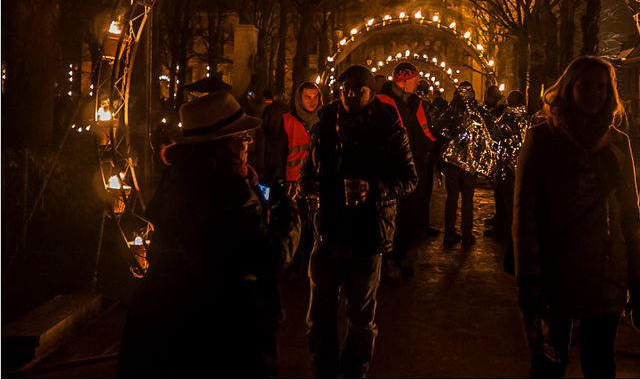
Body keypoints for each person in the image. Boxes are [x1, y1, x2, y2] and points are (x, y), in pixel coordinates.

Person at [118, 91, 300, 378]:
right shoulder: (227, 194)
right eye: (243, 138)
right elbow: (268, 256)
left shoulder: (177, 181)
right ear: (222, 146)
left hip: (165, 330)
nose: (248, 146)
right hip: (225, 337)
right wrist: (288, 218)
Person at [514, 56, 640, 378]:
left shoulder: (617, 144)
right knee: (549, 364)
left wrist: (639, 283)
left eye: (602, 86)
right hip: (556, 275)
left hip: (607, 275)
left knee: (601, 365)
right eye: (586, 85)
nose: (594, 93)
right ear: (569, 88)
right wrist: (529, 286)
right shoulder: (543, 140)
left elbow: (630, 215)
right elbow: (526, 217)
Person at [301, 65, 418, 378]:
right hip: (328, 230)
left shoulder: (388, 126)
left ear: (370, 93)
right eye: (345, 88)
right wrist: (307, 183)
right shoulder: (325, 122)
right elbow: (309, 167)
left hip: (367, 235)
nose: (350, 94)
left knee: (361, 317)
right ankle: (323, 370)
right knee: (320, 314)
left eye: (358, 89)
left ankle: (355, 372)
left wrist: (375, 188)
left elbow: (409, 179)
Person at [376, 62, 438, 278]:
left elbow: (424, 131)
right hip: (391, 169)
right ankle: (388, 261)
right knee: (391, 217)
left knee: (406, 216)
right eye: (414, 79)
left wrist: (434, 147)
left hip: (411, 169)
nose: (418, 83)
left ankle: (400, 257)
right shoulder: (383, 103)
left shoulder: (414, 103)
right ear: (402, 80)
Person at [437, 82, 496, 248]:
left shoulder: (451, 111)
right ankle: (467, 234)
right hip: (470, 163)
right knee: (468, 198)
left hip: (451, 162)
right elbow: (489, 131)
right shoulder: (478, 112)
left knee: (452, 197)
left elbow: (439, 130)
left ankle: (449, 233)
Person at [278, 82, 323, 275]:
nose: (311, 102)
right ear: (299, 98)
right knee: (297, 225)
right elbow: (279, 153)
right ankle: (296, 263)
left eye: (315, 97)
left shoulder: (324, 120)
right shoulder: (287, 121)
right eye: (307, 97)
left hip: (318, 183)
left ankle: (313, 262)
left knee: (317, 225)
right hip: (293, 183)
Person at [487, 90, 529, 243]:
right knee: (515, 200)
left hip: (505, 165)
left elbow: (494, 134)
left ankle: (504, 229)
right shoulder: (526, 118)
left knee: (504, 198)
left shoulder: (506, 117)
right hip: (520, 165)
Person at [483, 84, 507, 236]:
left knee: (502, 193)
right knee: (499, 192)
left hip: (502, 159)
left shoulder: (500, 111)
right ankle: (499, 218)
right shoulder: (498, 109)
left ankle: (501, 223)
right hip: (499, 157)